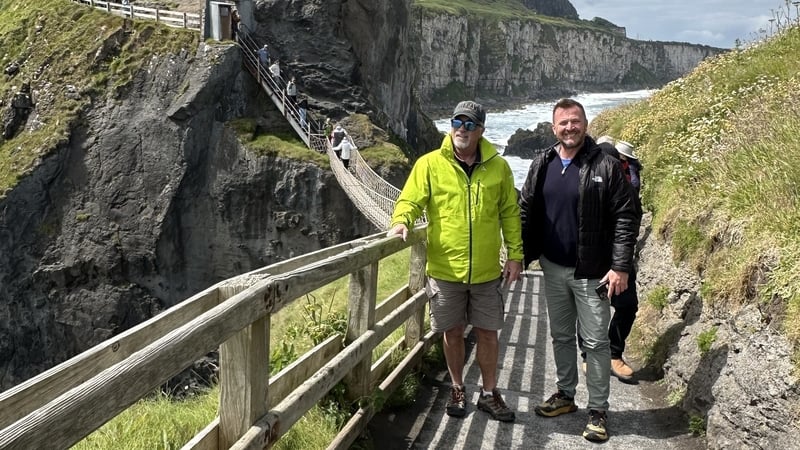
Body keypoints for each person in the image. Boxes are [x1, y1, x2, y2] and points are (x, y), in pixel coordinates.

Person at [387, 101, 524, 422]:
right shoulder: (429, 164)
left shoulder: (499, 168)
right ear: (451, 125)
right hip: (445, 270)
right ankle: (458, 387)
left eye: (470, 124)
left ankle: (489, 394)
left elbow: (510, 213)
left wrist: (515, 254)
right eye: (457, 121)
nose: (462, 128)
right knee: (452, 332)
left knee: (489, 333)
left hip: (487, 271)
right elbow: (410, 198)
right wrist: (402, 219)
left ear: (481, 131)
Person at [519, 99, 638, 442]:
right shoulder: (544, 161)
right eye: (563, 123)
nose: (569, 127)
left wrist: (620, 266)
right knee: (560, 335)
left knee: (596, 342)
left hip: (593, 272)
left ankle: (598, 410)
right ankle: (566, 395)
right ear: (553, 127)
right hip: (552, 268)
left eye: (575, 121)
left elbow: (625, 217)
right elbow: (527, 209)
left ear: (585, 124)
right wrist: (521, 256)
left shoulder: (606, 164)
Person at [577, 136, 643, 382]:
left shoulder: (625, 184)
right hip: (591, 257)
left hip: (620, 258)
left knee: (627, 306)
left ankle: (615, 354)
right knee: (589, 310)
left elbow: (631, 222)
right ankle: (587, 356)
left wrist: (622, 263)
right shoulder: (585, 181)